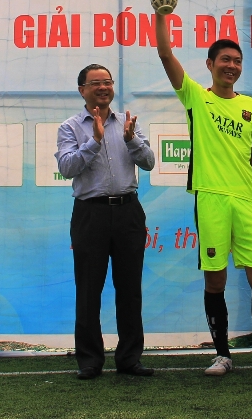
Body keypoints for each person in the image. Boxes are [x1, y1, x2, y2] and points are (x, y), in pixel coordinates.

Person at [152, 9, 252, 376]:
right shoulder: (196, 97)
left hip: (246, 202)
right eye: (225, 60)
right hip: (211, 197)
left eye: (237, 61)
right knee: (216, 280)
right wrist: (161, 15)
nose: (232, 66)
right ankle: (223, 355)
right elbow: (165, 54)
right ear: (210, 64)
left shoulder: (251, 106)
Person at [56, 64, 156, 380]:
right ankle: (89, 360)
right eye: (95, 83)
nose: (103, 87)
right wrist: (94, 141)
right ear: (82, 90)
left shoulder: (127, 123)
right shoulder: (70, 127)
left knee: (130, 288)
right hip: (90, 213)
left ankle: (129, 359)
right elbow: (67, 167)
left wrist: (131, 140)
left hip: (128, 211)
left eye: (107, 82)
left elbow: (149, 162)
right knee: (89, 289)